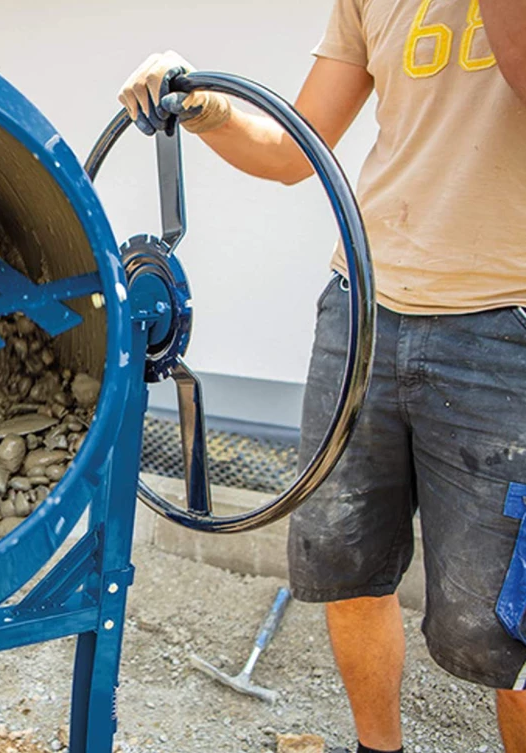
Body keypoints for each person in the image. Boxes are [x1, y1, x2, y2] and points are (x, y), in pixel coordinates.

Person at [119, 1, 526, 752]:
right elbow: (291, 149)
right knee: (344, 562)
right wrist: (201, 106)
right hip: (362, 307)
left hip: (506, 323)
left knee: (501, 620)